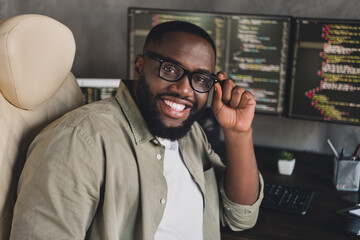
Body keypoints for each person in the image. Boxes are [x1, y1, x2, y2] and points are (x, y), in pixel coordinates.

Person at [10, 21, 263, 240]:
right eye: (170, 69)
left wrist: (238, 134)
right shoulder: (79, 140)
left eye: (200, 79)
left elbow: (240, 218)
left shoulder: (191, 134)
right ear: (140, 66)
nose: (185, 90)